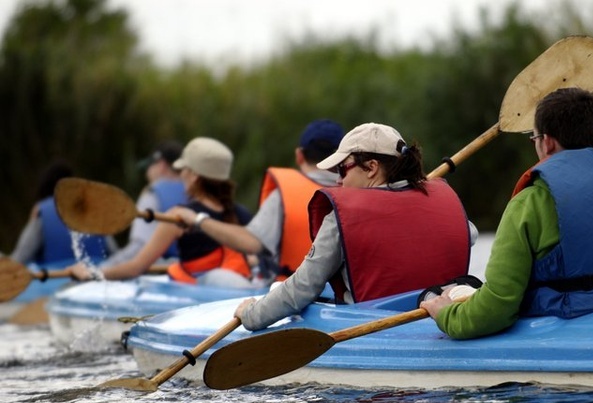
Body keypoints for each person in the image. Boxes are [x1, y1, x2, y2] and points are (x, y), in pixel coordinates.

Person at [420, 87, 593, 339]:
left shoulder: (531, 203)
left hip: (571, 332)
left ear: (546, 142)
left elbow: (497, 308)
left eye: (534, 138)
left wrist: (446, 314)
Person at [233, 122, 476, 331]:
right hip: (437, 320)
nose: (338, 180)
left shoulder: (342, 218)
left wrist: (252, 315)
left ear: (371, 167)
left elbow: (301, 290)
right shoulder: (444, 204)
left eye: (342, 169)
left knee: (281, 288)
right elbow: (469, 234)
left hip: (372, 328)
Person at [172, 119, 344, 282]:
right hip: (349, 299)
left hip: (295, 296)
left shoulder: (285, 195)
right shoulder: (359, 191)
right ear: (341, 158)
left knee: (216, 277)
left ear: (299, 156)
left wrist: (197, 220)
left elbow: (252, 243)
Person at [68, 137, 255, 286]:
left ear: (194, 176)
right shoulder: (243, 214)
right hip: (236, 289)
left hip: (203, 295)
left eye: (184, 169)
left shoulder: (178, 217)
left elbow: (136, 267)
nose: (181, 174)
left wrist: (92, 274)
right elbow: (253, 260)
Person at [10, 159, 116, 266]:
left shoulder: (42, 213)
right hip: (96, 276)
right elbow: (114, 253)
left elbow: (19, 258)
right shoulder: (93, 211)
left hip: (57, 279)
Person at [101, 140, 187, 267]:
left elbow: (139, 247)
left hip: (160, 273)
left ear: (161, 165)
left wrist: (100, 269)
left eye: (149, 166)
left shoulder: (152, 194)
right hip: (192, 271)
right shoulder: (198, 193)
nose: (147, 173)